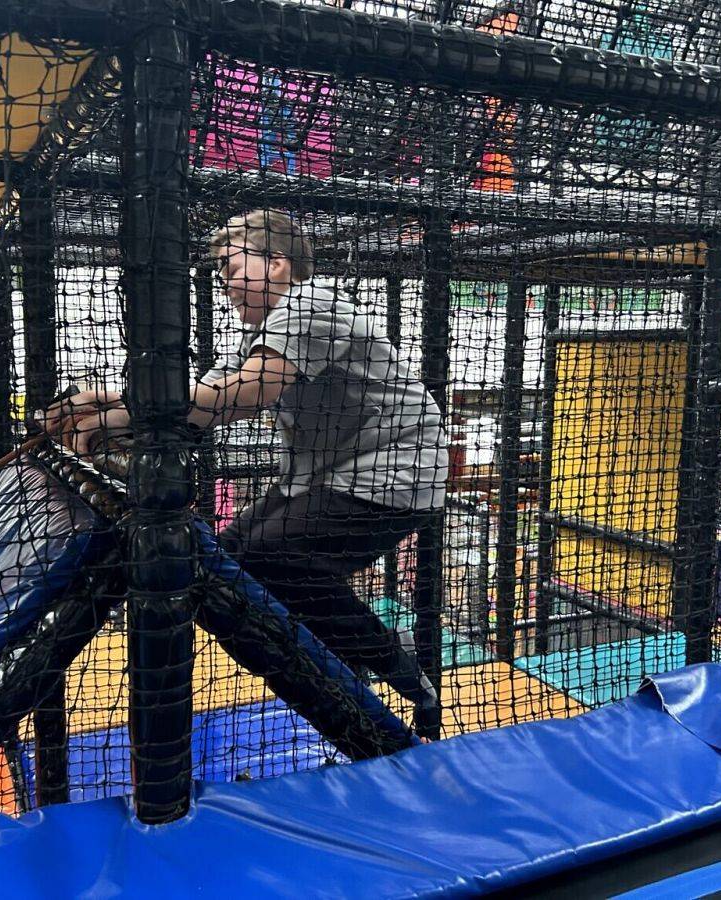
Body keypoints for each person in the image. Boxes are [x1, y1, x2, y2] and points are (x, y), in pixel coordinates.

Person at [48, 210, 447, 716]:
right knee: (226, 562)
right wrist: (107, 408)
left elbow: (248, 392)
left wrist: (124, 407)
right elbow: (204, 404)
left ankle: (393, 661)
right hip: (326, 473)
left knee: (268, 555)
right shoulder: (257, 334)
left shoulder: (310, 304)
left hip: (397, 471)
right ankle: (337, 665)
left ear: (277, 263)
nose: (226, 284)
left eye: (233, 269)